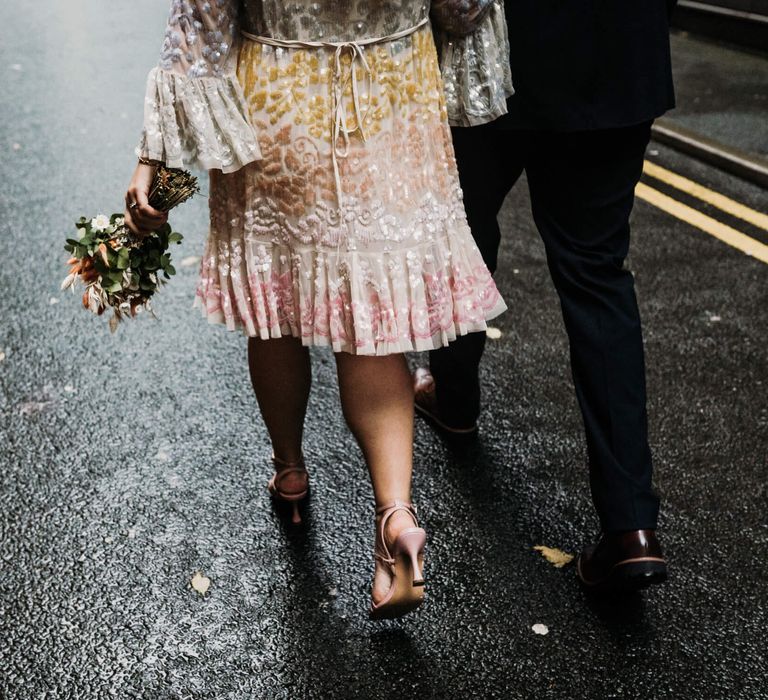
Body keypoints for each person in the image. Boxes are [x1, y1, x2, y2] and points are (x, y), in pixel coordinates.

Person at [123, 0, 506, 619]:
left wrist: (154, 158)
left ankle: (291, 471)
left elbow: (199, 27)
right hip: (391, 99)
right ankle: (395, 517)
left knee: (277, 311)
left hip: (277, 105)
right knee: (372, 319)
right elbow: (463, 11)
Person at [420, 0, 677, 592]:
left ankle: (454, 400)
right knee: (596, 273)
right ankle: (630, 527)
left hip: (497, 47)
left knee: (463, 234)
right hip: (618, 52)